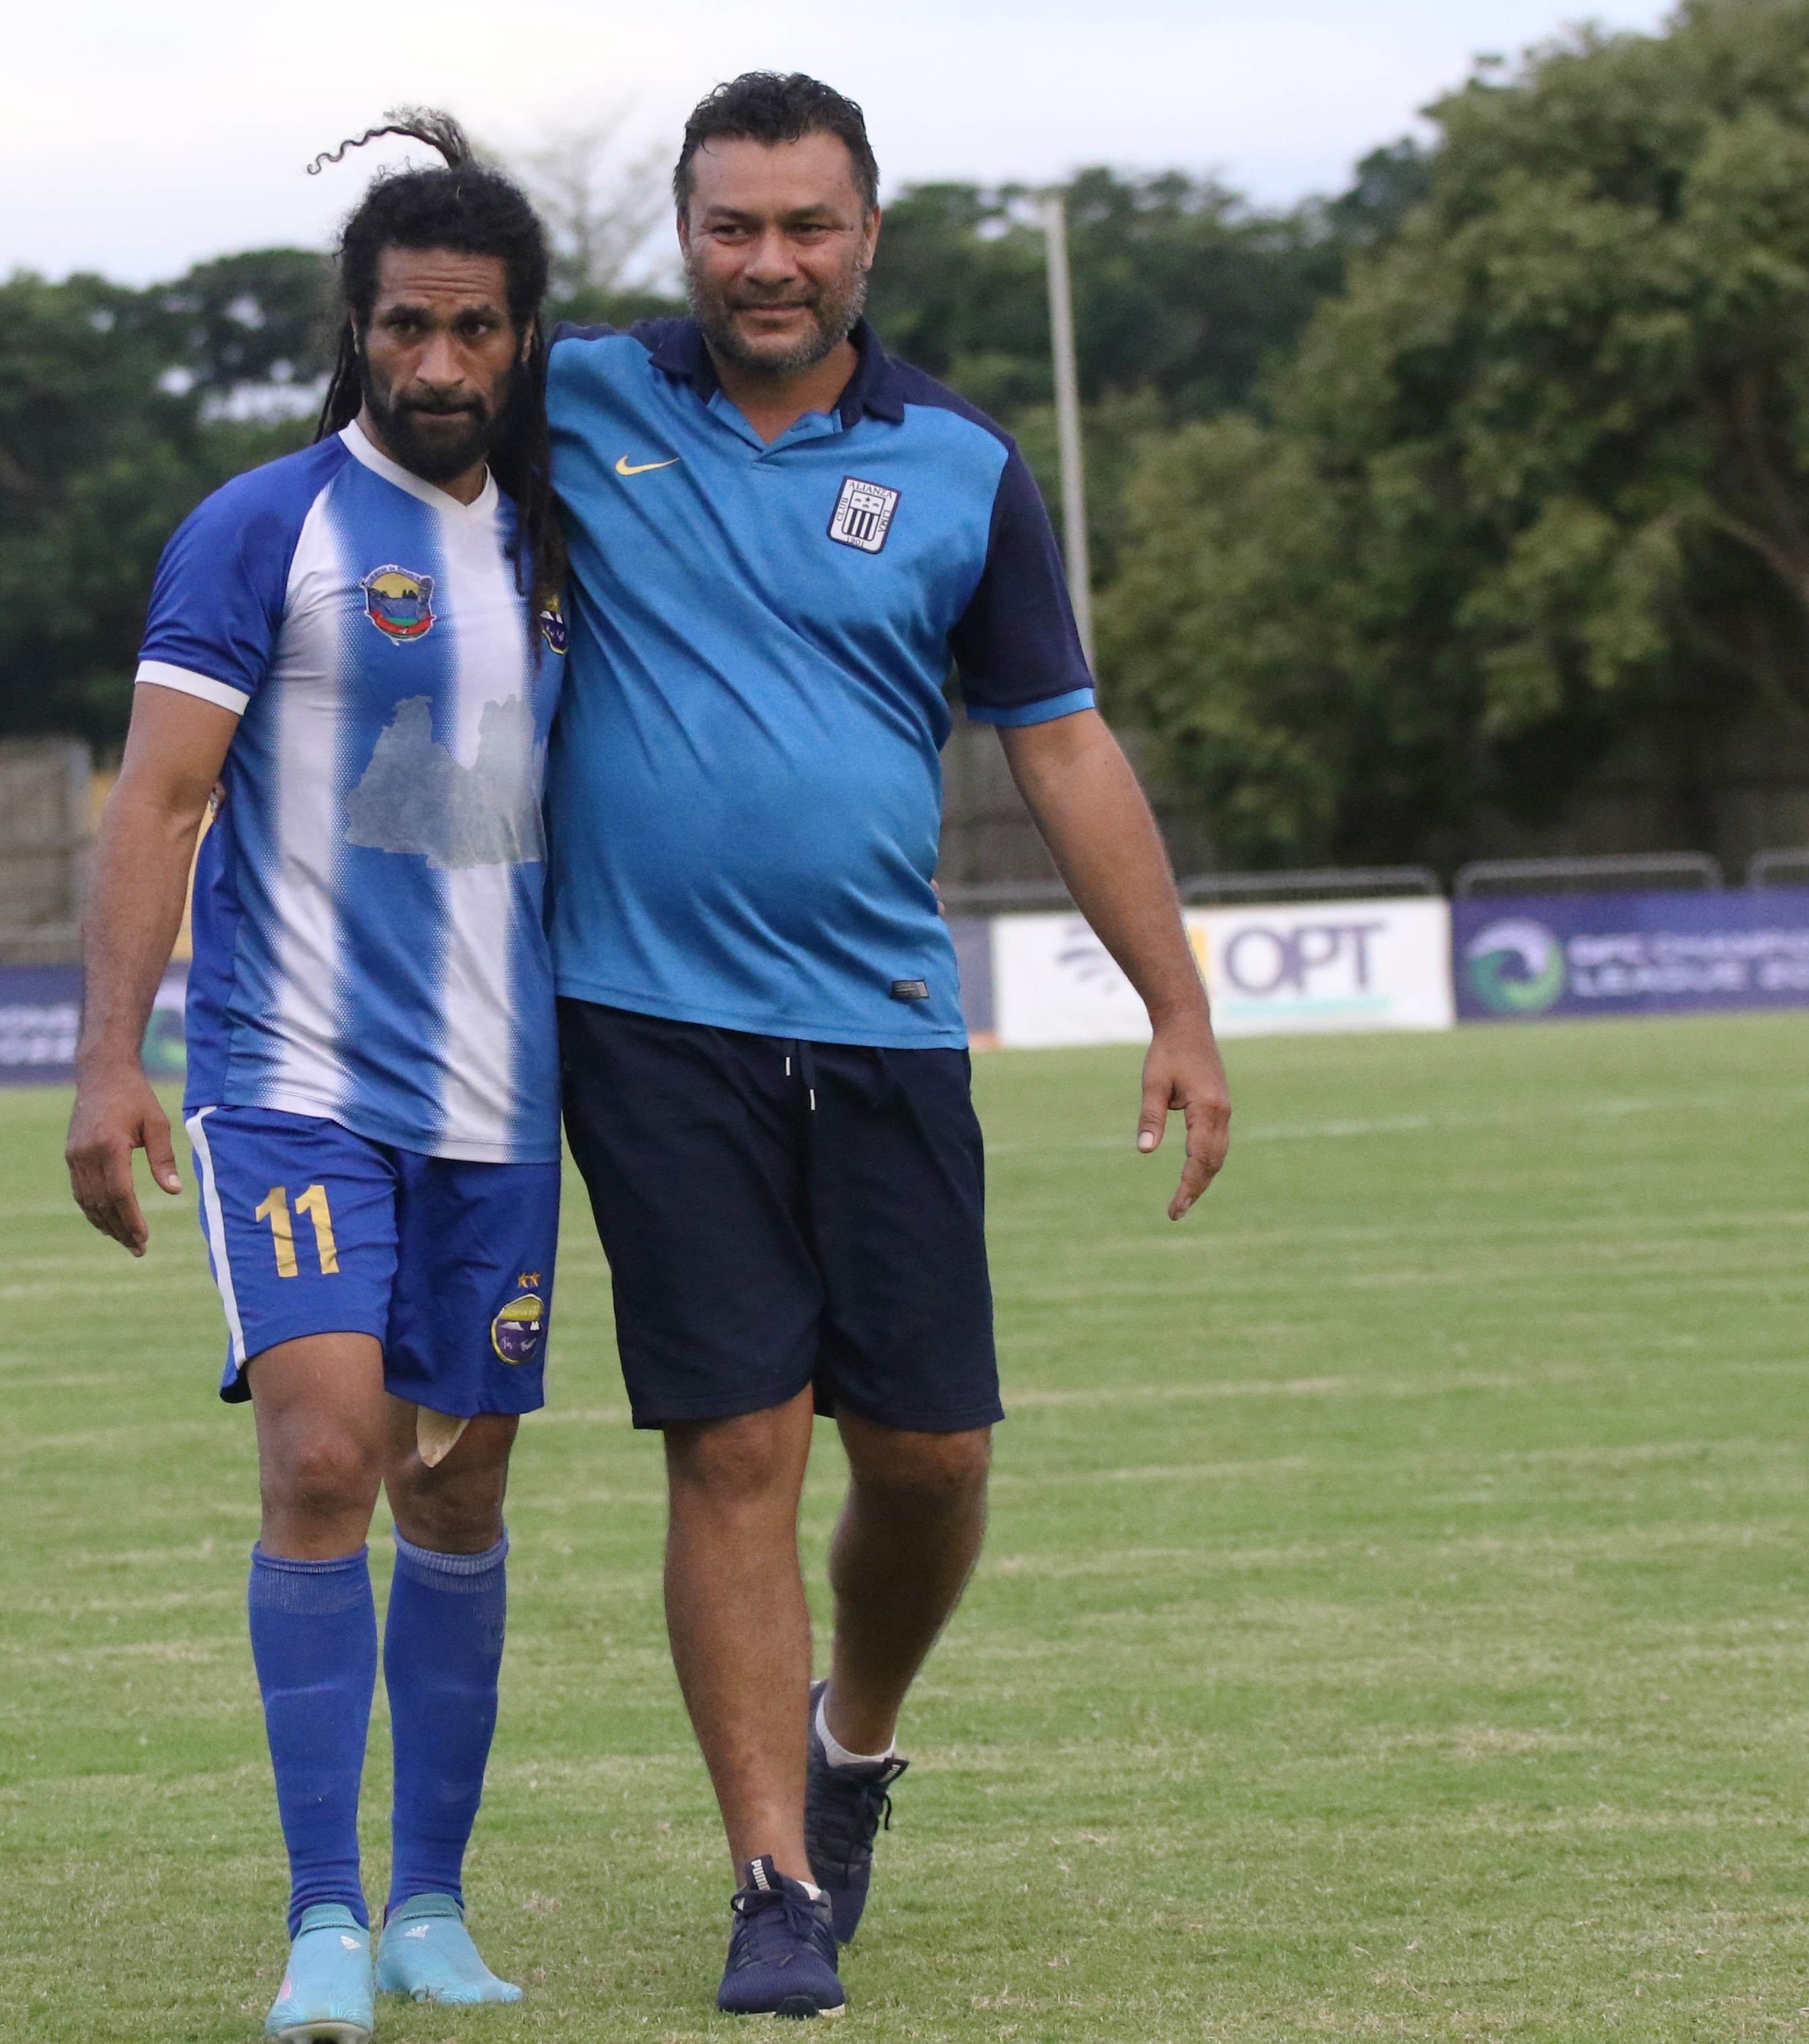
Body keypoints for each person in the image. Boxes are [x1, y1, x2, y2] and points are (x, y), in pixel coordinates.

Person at [544, 73, 1234, 2019]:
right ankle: (772, 1882)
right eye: (732, 226)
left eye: (806, 226)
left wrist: (1178, 1005)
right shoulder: (574, 400)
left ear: (868, 235)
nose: (768, 262)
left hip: (885, 1027)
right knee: (736, 1440)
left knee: (931, 1460)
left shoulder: (960, 463)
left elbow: (1062, 744)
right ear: (685, 233)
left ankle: (852, 1742)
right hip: (648, 1023)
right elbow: (392, 430)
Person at [63, 113, 566, 2044]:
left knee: (461, 1487)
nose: (437, 361)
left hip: (504, 1098)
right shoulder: (260, 527)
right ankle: (325, 1916)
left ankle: (434, 1899)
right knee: (331, 1452)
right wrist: (109, 1060)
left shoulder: (565, 537)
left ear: (520, 340)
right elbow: (160, 799)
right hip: (293, 1079)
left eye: (473, 328)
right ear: (355, 330)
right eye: (405, 326)